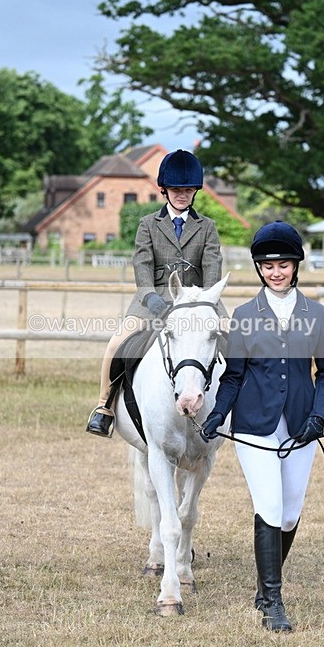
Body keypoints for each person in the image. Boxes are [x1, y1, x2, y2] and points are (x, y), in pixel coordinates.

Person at [201, 221, 324, 632]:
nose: (275, 272)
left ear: (296, 266)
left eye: (283, 264)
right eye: (267, 265)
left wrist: (319, 414)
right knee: (270, 507)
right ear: (259, 268)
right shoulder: (244, 316)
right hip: (253, 426)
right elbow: (233, 377)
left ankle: (264, 588)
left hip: (301, 425)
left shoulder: (316, 314)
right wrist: (216, 415)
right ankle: (273, 602)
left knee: (291, 514)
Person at [86, 149, 223, 437]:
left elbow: (212, 268)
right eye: (176, 189)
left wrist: (206, 300)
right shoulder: (148, 224)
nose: (182, 195)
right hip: (152, 301)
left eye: (187, 190)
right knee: (116, 343)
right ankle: (104, 407)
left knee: (237, 342)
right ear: (164, 189)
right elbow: (142, 265)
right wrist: (152, 298)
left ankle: (239, 408)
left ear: (195, 191)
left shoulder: (207, 227)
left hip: (196, 302)